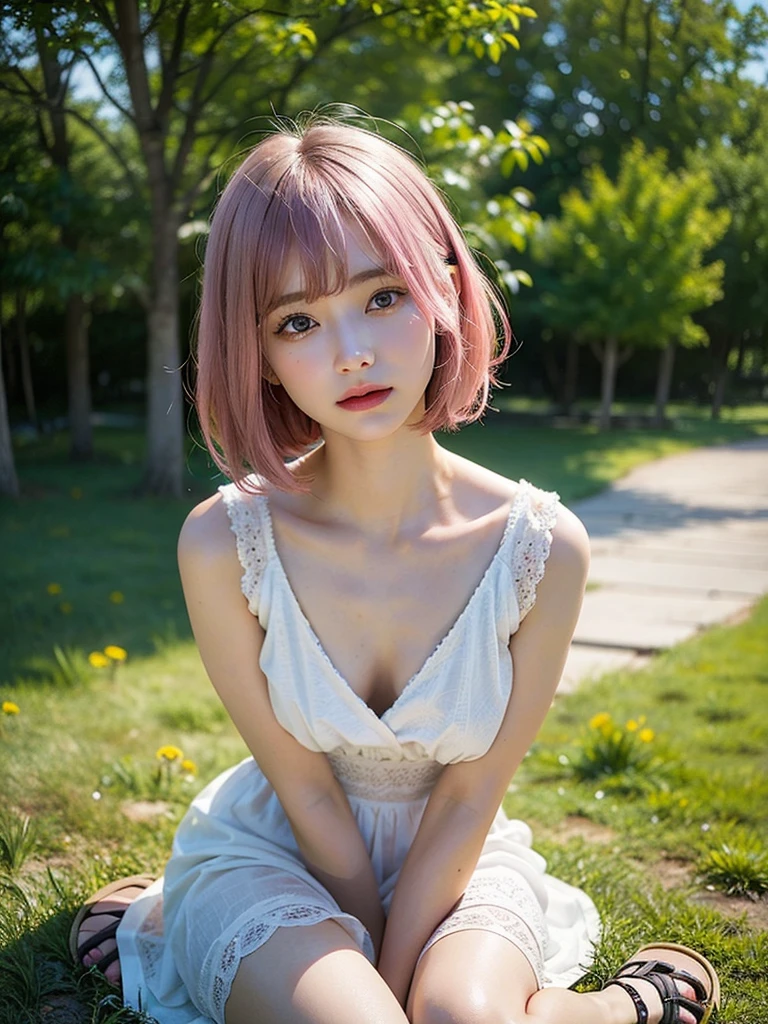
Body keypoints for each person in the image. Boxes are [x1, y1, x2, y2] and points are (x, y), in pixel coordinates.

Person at [70, 113, 720, 1024]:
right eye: (299, 320)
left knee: (460, 1017)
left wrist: (403, 975)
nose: (353, 353)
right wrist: (373, 984)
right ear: (255, 352)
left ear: (445, 290)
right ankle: (178, 923)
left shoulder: (539, 547)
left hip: (457, 854)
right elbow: (303, 787)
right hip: (277, 849)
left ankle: (619, 1008)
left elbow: (468, 797)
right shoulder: (224, 542)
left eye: (381, 296)